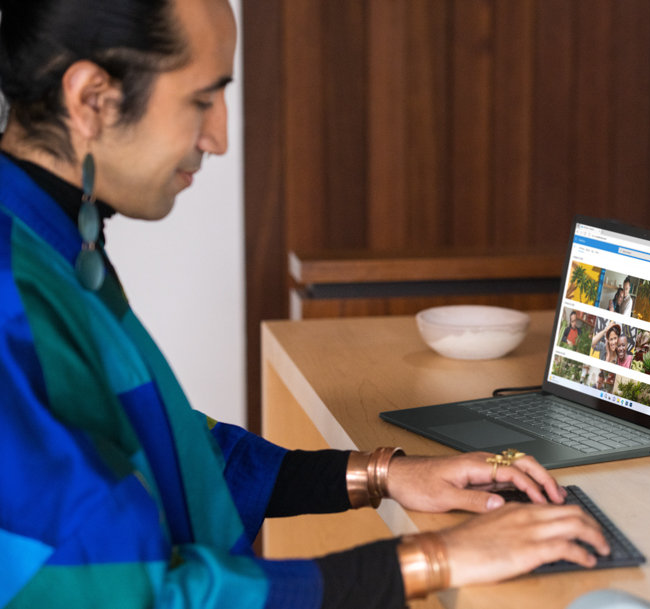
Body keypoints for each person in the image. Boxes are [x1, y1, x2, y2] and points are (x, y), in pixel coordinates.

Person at [0, 2, 608, 608]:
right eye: (202, 99)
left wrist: (384, 473)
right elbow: (121, 597)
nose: (219, 136)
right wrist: (436, 558)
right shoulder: (12, 300)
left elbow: (169, 451)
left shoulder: (47, 240)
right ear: (92, 98)